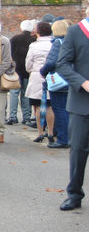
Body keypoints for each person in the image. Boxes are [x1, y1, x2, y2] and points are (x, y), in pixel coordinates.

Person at [56, 7, 89, 211]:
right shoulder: (76, 31)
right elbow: (62, 64)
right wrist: (82, 82)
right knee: (77, 151)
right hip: (81, 103)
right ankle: (74, 194)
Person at [42, 19, 71, 149]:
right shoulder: (71, 42)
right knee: (68, 110)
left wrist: (43, 72)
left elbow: (51, 62)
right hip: (71, 80)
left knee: (59, 110)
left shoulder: (57, 43)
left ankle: (63, 139)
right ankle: (70, 137)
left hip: (59, 82)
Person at [25, 21, 54, 143]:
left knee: (37, 107)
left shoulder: (34, 46)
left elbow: (28, 64)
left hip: (37, 76)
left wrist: (32, 70)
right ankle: (51, 132)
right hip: (51, 76)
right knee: (50, 106)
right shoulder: (53, 44)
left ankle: (40, 132)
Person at [9, 20, 36, 126]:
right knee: (26, 93)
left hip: (16, 69)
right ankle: (27, 116)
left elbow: (9, 54)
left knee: (14, 93)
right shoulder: (33, 40)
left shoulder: (14, 39)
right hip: (27, 70)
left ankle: (12, 116)